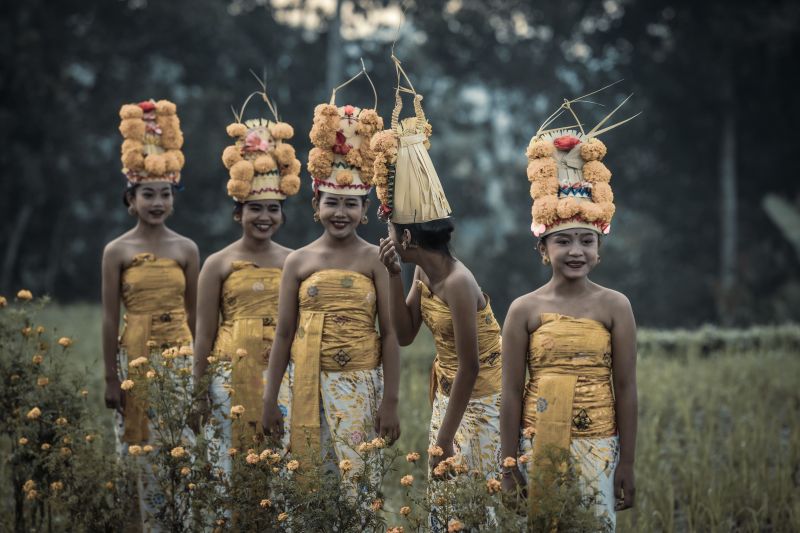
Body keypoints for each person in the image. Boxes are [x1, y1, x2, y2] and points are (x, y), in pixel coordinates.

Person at [499, 93, 638, 530]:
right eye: (563, 241)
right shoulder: (524, 309)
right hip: (536, 443)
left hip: (600, 443)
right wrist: (508, 464)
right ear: (543, 248)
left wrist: (626, 464)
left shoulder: (616, 306)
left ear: (599, 249)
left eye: (586, 240)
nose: (575, 250)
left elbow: (627, 388)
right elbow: (511, 392)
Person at [261, 72, 400, 482]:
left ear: (365, 208)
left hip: (360, 384)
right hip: (303, 384)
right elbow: (284, 335)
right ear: (315, 204)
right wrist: (271, 399)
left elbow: (390, 334)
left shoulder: (376, 258)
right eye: (333, 203)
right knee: (306, 489)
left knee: (358, 489)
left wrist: (390, 401)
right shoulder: (299, 262)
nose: (341, 213)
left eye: (352, 205)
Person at [374, 58, 502, 484]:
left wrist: (444, 439)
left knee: (469, 503)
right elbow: (407, 334)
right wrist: (393, 273)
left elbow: (470, 366)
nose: (387, 235)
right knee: (447, 509)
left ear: (408, 238)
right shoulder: (421, 273)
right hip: (450, 401)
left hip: (479, 402)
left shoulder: (459, 283)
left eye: (392, 230)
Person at [192, 86, 301, 471]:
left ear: (282, 215)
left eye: (273, 209)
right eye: (255, 209)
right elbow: (203, 334)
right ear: (239, 213)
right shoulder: (217, 264)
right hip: (228, 375)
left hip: (283, 374)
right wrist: (199, 392)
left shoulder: (295, 262)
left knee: (279, 469)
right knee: (231, 466)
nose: (264, 217)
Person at [101, 98, 198, 528]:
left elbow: (197, 316)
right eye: (147, 195)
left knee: (181, 448)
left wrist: (199, 375)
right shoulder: (116, 251)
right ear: (131, 198)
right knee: (135, 451)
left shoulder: (186, 249)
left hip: (179, 356)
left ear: (173, 198)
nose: (156, 203)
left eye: (164, 195)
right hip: (133, 359)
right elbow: (108, 318)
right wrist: (110, 377)